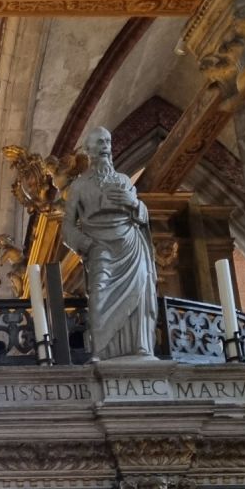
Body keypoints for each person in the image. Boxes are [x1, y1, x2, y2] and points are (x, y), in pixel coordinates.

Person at [63, 127, 158, 359]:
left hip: (130, 245)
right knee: (99, 295)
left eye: (107, 141)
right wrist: (85, 244)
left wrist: (134, 204)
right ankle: (102, 350)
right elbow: (67, 226)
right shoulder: (78, 186)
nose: (105, 146)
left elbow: (142, 216)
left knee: (139, 293)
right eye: (99, 143)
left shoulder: (124, 180)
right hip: (100, 248)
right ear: (88, 151)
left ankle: (140, 346)